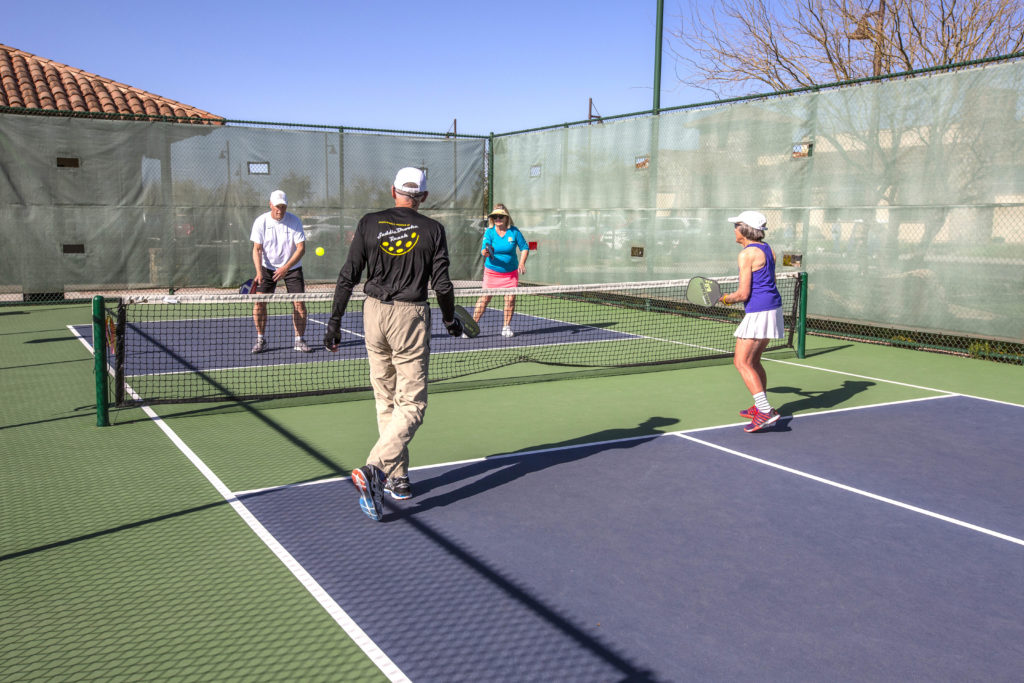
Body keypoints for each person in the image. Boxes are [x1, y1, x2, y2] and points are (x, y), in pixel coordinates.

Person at [323, 167, 462, 521]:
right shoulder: (433, 229)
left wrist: (335, 321)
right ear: (425, 197)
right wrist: (449, 319)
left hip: (373, 314)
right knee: (412, 404)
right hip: (409, 316)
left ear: (392, 191)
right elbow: (442, 286)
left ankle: (397, 479)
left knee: (386, 399)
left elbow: (348, 275)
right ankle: (374, 470)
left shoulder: (369, 223)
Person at [720, 210, 784, 433]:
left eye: (736, 225)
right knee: (754, 361)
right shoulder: (768, 250)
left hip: (759, 311)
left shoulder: (746, 255)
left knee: (742, 362)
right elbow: (770, 282)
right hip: (773, 308)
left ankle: (765, 411)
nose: (734, 230)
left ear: (744, 230)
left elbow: (743, 294)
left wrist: (726, 299)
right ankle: (760, 406)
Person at [250, 190, 309, 353]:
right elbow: (256, 249)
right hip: (267, 268)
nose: (279, 210)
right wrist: (259, 271)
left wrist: (286, 268)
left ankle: (299, 340)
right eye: (277, 206)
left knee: (299, 303)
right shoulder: (261, 222)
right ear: (270, 204)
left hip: (292, 268)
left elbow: (301, 248)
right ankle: (261, 339)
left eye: (282, 206)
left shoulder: (294, 221)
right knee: (259, 302)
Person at [470, 204, 529, 337]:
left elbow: (524, 247)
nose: (498, 218)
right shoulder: (489, 232)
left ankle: (506, 327)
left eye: (501, 216)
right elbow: (484, 249)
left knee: (510, 300)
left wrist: (521, 262)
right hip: (492, 272)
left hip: (510, 274)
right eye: (495, 216)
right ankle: (472, 326)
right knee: (484, 299)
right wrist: (485, 252)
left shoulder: (514, 231)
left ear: (506, 217)